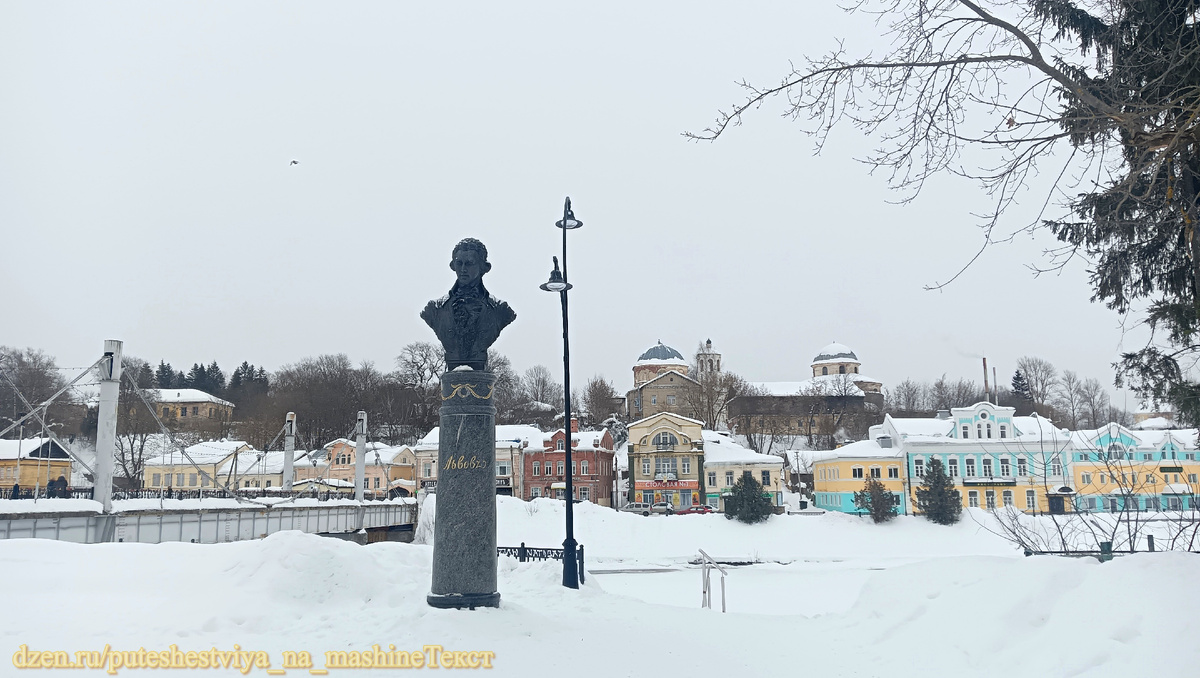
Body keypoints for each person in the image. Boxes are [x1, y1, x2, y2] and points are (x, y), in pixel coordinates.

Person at [421, 238, 516, 371]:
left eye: (470, 263)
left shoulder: (501, 310)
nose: (463, 269)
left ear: (483, 267)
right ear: (453, 265)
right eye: (459, 263)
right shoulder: (435, 309)